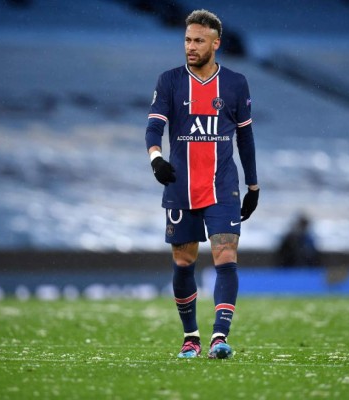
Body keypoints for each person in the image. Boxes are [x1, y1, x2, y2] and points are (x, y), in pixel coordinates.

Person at [145, 9, 259, 359]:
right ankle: (191, 337)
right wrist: (156, 158)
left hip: (223, 186)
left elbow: (246, 138)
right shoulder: (169, 81)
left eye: (198, 41)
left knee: (226, 254)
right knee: (184, 260)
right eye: (187, 40)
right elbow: (154, 127)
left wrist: (253, 186)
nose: (190, 47)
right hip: (180, 185)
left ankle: (219, 337)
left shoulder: (236, 84)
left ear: (216, 43)